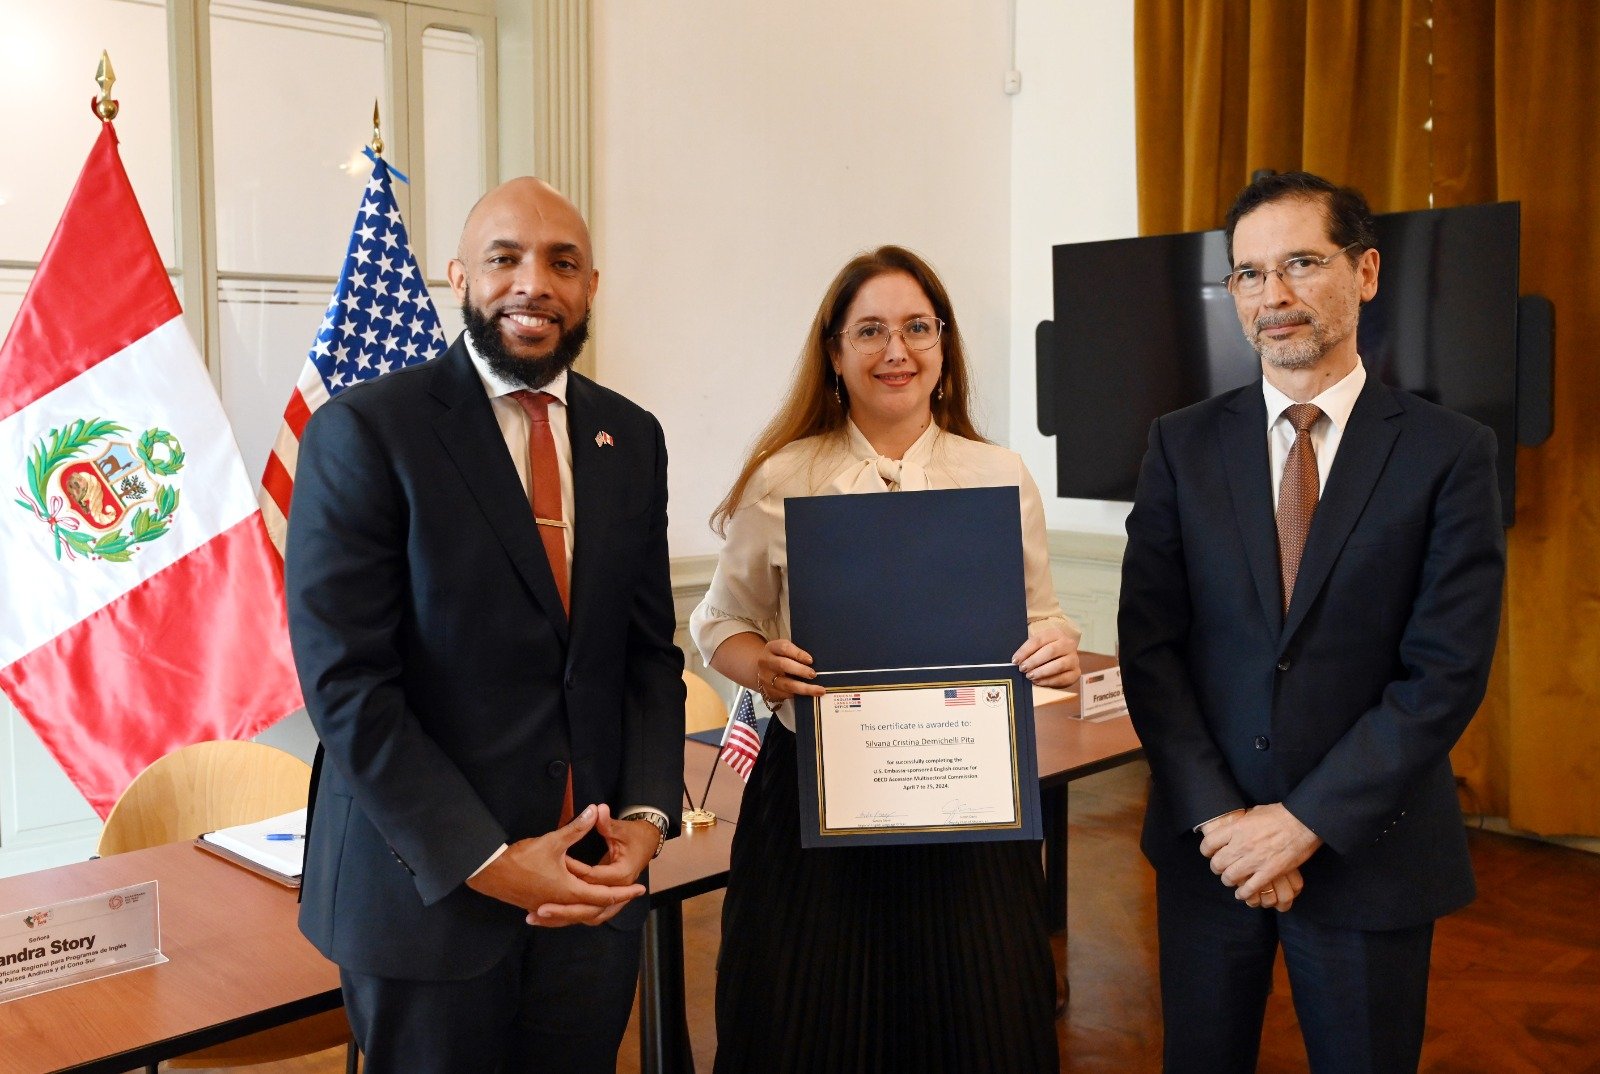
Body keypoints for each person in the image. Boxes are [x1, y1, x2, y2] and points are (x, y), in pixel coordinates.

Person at [285, 177, 685, 1074]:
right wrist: (487, 859)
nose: (532, 282)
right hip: (426, 899)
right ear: (459, 275)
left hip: (592, 893)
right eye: (505, 258)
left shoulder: (634, 437)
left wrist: (649, 825)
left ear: (591, 287)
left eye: (562, 262)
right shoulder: (365, 430)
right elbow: (347, 684)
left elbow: (647, 658)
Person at [1118, 171, 1506, 1073]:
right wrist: (1224, 820)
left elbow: (1442, 673)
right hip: (1211, 856)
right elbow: (1151, 649)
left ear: (1366, 271)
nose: (1274, 296)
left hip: (1370, 853)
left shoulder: (1451, 453)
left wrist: (1302, 823)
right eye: (1248, 274)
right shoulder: (1180, 444)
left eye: (1300, 262)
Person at [690, 245, 1082, 1073]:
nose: (895, 350)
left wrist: (1057, 646)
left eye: (916, 328)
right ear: (834, 353)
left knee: (976, 1023)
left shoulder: (1000, 476)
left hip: (967, 808)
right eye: (870, 330)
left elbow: (1042, 619)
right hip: (815, 805)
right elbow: (719, 619)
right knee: (808, 1025)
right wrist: (760, 664)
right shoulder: (783, 476)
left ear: (944, 349)